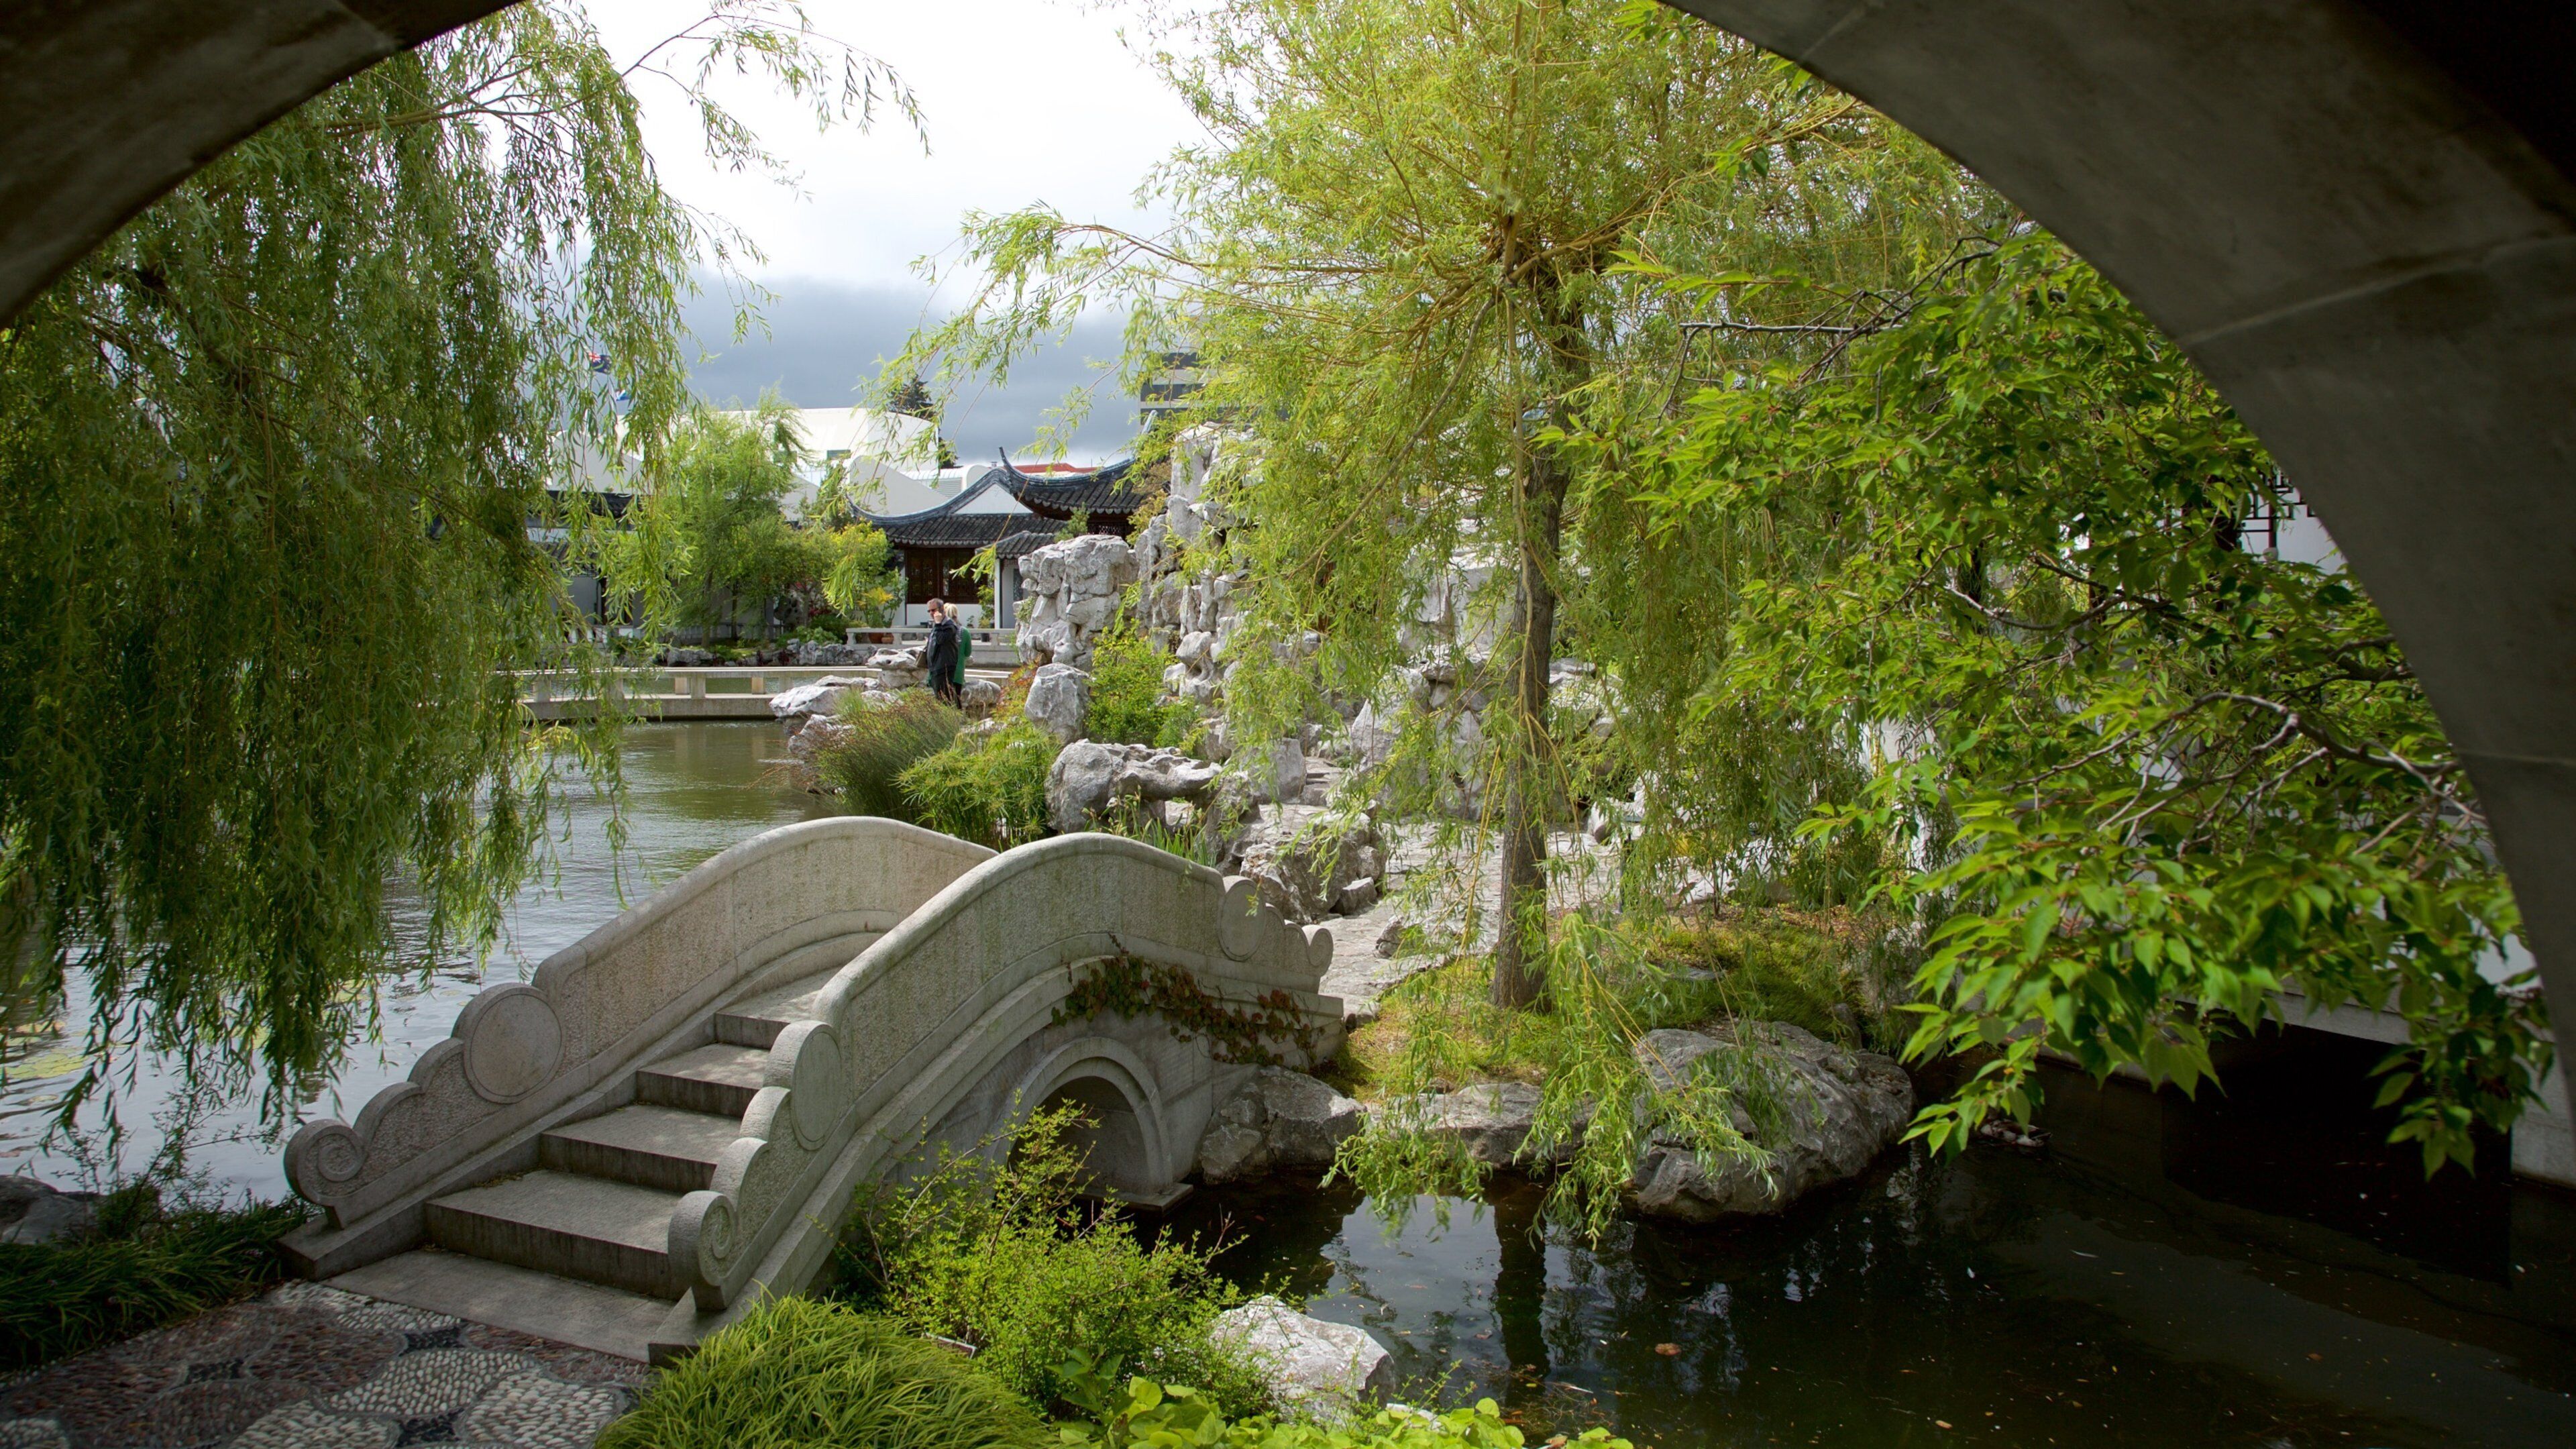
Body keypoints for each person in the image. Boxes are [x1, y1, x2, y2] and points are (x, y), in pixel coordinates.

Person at [924, 598, 963, 707]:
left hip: (944, 668)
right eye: (929, 611)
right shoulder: (938, 626)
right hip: (935, 668)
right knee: (940, 699)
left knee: (946, 700)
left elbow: (941, 639)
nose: (931, 613)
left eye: (934, 610)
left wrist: (937, 624)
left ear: (942, 609)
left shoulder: (949, 625)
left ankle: (954, 717)